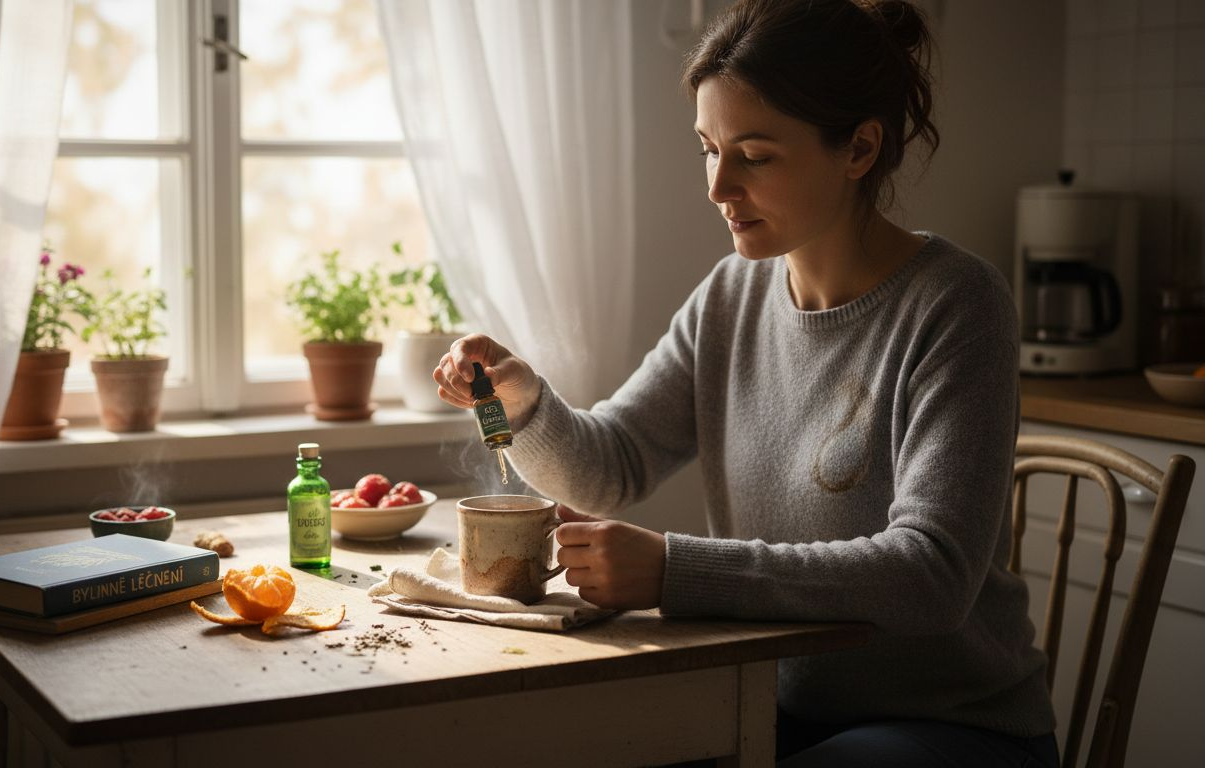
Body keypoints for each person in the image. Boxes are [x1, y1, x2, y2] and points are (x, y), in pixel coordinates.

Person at [432, 1, 1058, 765]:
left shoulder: (958, 304)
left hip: (953, 728)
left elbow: (930, 575)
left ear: (860, 148)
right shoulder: (731, 297)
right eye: (708, 149)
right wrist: (527, 405)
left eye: (755, 156)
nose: (718, 186)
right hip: (771, 705)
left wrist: (675, 569)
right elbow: (611, 465)